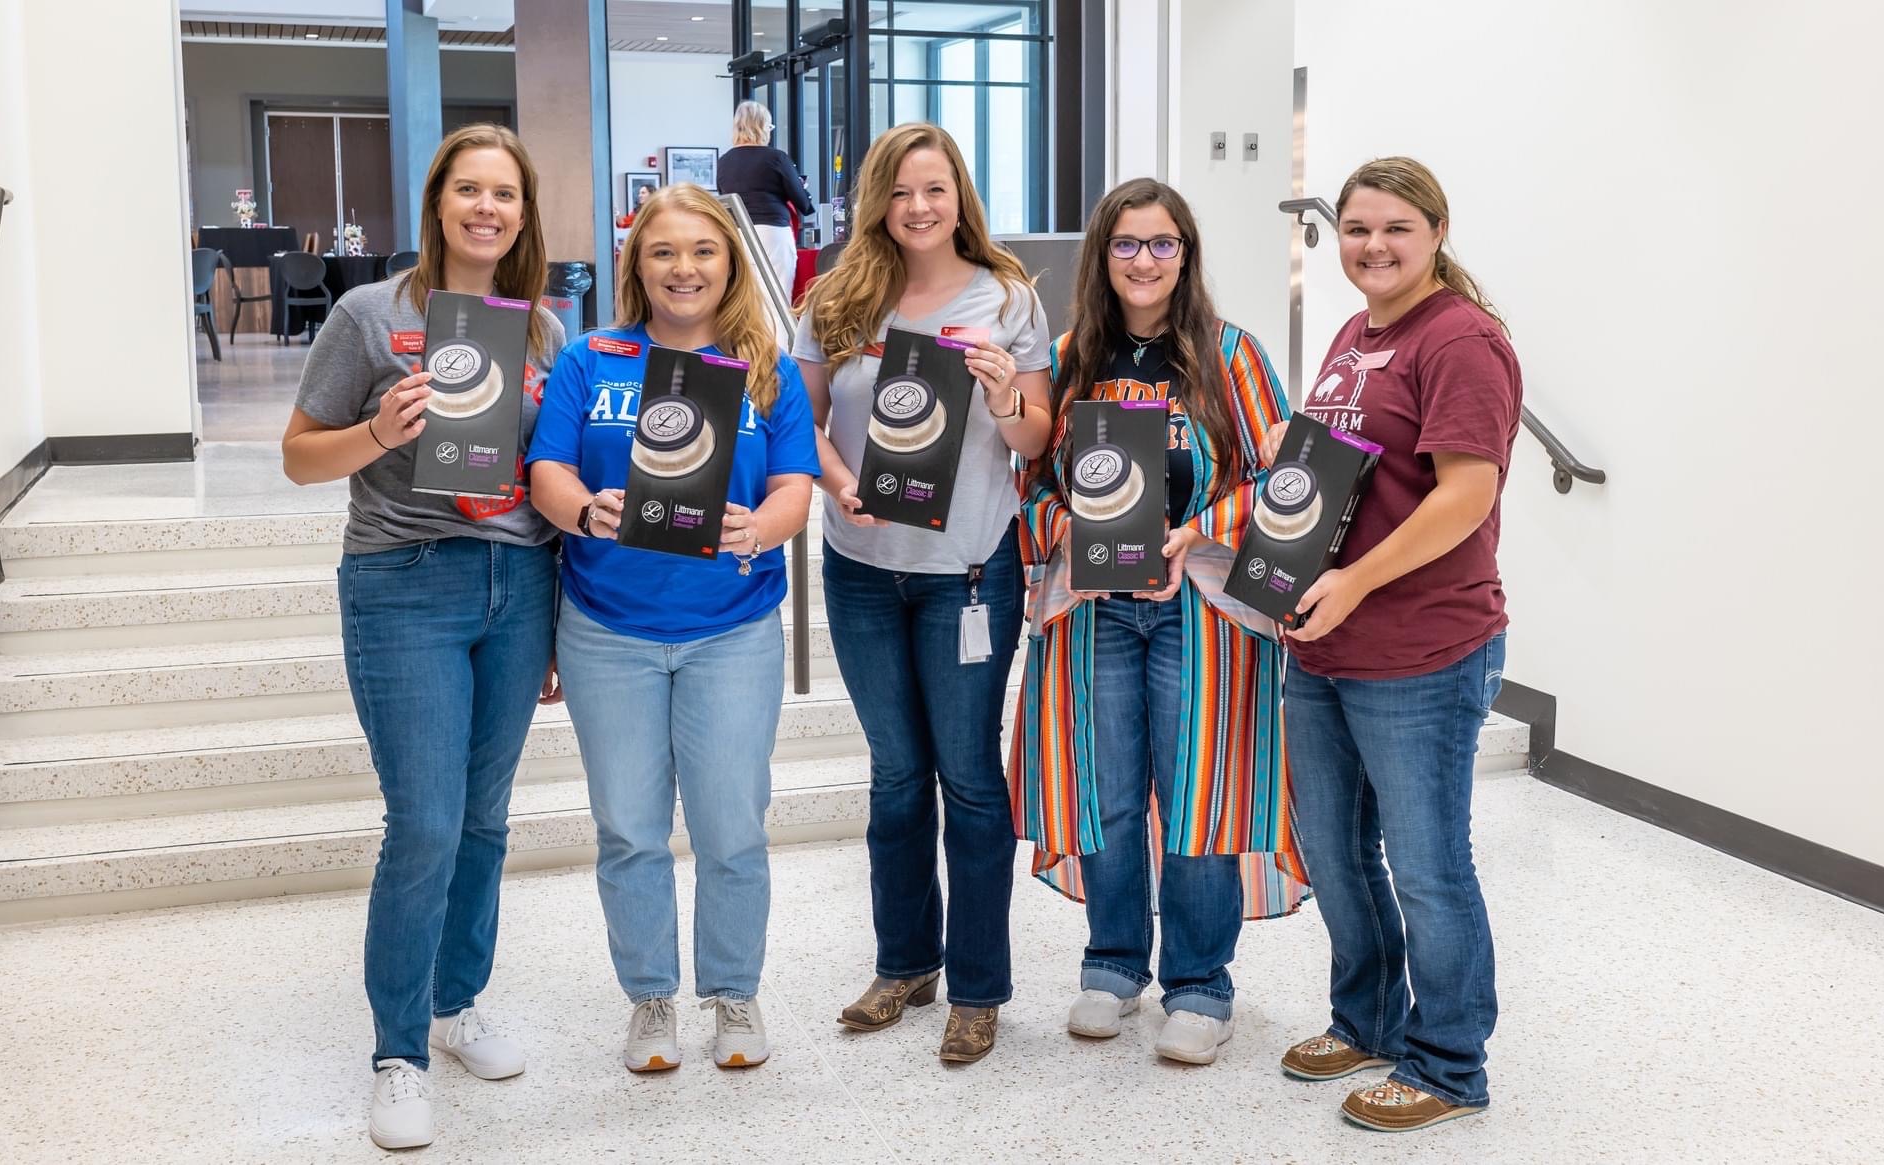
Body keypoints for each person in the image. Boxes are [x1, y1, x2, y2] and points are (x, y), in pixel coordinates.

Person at [281, 124, 565, 1151]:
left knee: (484, 821)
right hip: (404, 584)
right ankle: (397, 1052)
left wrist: (556, 630)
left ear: (523, 213)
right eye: (469, 190)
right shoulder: (368, 315)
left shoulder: (541, 333)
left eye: (505, 194)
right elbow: (299, 459)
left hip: (519, 581)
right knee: (427, 822)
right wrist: (378, 435)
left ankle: (456, 1006)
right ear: (437, 202)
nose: (487, 209)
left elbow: (553, 478)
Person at [1014, 178, 1310, 1066]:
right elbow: (1024, 490)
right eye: (1126, 245)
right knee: (1103, 792)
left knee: (1199, 796)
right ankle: (1110, 965)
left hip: (1205, 612)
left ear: (1186, 255)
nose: (1144, 261)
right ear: (1101, 257)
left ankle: (1199, 984)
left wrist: (1193, 531)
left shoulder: (1233, 356)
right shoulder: (1066, 361)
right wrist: (1075, 530)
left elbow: (1287, 478)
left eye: (1163, 243)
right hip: (1093, 611)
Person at [527, 183, 819, 1075]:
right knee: (629, 826)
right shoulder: (591, 360)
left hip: (731, 628)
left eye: (702, 250)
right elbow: (546, 470)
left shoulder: (767, 368)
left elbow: (795, 487)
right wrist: (585, 511)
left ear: (730, 261)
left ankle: (733, 991)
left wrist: (759, 528)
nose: (683, 267)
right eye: (663, 251)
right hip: (608, 628)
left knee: (733, 823)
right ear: (636, 264)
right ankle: (650, 998)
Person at [793, 122, 1053, 1063]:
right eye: (901, 191)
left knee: (970, 781)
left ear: (960, 196)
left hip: (970, 577)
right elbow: (803, 421)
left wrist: (999, 395)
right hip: (862, 569)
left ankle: (979, 986)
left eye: (935, 189)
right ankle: (905, 962)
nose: (918, 207)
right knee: (897, 778)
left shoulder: (1007, 298)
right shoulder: (837, 295)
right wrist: (834, 480)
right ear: (878, 200)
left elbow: (1035, 438)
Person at [1273, 157, 1523, 1133]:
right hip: (1324, 644)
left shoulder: (1460, 339)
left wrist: (1354, 581)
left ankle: (1449, 1061)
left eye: (1393, 229)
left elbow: (1466, 493)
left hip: (1419, 648)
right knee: (1334, 855)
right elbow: (1328, 473)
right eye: (1355, 229)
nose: (1371, 246)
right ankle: (1366, 1018)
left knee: (1425, 863)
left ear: (1435, 231)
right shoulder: (1351, 333)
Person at [717, 100, 815, 290]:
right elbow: (802, 202)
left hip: (737, 233)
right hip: (772, 232)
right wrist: (801, 186)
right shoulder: (776, 158)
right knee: (776, 296)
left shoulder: (724, 161)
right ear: (762, 127)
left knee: (745, 296)